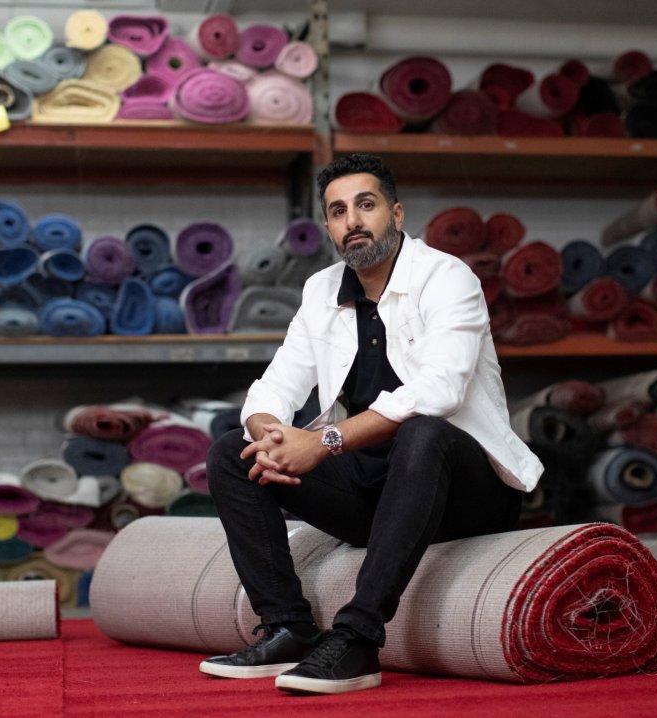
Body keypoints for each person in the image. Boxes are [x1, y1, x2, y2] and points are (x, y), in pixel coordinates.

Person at [201, 153, 543, 695]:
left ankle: (358, 638)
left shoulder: (446, 277)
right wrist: (273, 434)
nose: (352, 221)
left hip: (463, 491)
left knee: (423, 431)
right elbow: (274, 386)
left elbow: (440, 391)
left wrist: (322, 441)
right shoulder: (320, 291)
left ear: (397, 213)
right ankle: (287, 625)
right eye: (337, 211)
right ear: (329, 226)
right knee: (229, 452)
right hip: (374, 495)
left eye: (366, 205)